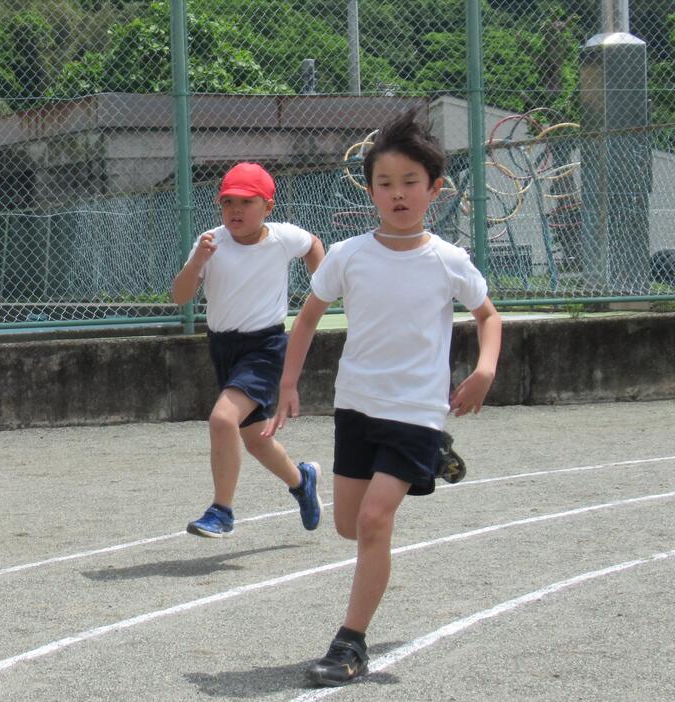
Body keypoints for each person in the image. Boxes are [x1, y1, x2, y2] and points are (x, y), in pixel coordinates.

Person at [263, 109, 502, 685]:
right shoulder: (347, 255)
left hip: (417, 411)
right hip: (357, 405)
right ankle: (433, 457)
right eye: (385, 183)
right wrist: (288, 383)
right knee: (348, 525)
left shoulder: (449, 260)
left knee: (373, 521)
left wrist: (485, 369)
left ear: (434, 189)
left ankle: (350, 644)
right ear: (370, 191)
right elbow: (306, 319)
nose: (398, 193)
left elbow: (488, 316)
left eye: (410, 182)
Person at [172, 161, 326, 538]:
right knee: (256, 440)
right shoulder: (210, 241)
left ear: (268, 206)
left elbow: (313, 244)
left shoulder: (283, 237)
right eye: (228, 202)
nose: (235, 210)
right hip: (223, 347)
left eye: (246, 201)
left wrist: (321, 288)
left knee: (223, 419)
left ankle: (221, 511)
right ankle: (302, 481)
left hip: (266, 347)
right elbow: (180, 296)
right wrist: (197, 261)